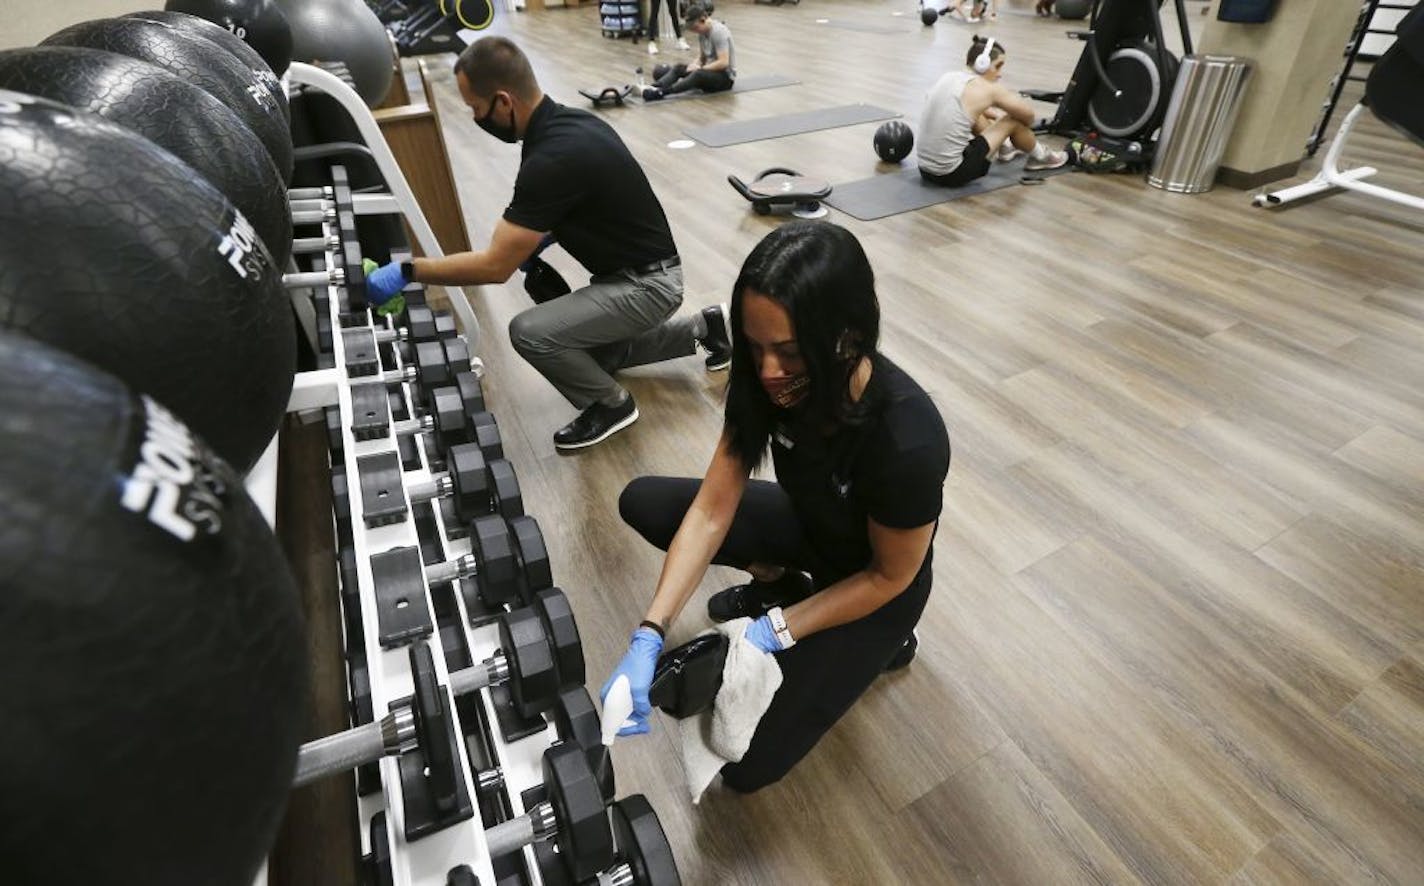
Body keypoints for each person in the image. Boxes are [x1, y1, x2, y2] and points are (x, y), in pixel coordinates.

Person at [601, 221, 951, 793]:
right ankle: (786, 583)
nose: (766, 372)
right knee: (646, 501)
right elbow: (713, 509)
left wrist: (771, 633)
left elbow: (889, 575)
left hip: (877, 586)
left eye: (790, 352)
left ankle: (883, 643)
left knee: (743, 766)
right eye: (755, 347)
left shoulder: (907, 439)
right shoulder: (768, 381)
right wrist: (649, 633)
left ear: (849, 336)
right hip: (813, 526)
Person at [363, 37, 731, 451]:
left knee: (530, 332)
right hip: (642, 273)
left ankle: (610, 405)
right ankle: (706, 329)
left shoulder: (551, 158)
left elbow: (493, 268)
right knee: (597, 359)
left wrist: (410, 270)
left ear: (503, 102)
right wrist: (544, 236)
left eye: (475, 108)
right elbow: (598, 204)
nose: (473, 117)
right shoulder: (571, 123)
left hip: (647, 286)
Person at [916, 36, 1068, 187]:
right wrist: (1004, 123)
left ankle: (1006, 147)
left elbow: (970, 109)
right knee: (1012, 121)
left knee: (976, 114)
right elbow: (1028, 117)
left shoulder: (948, 77)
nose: (1000, 73)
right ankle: (1042, 157)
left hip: (925, 170)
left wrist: (994, 116)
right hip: (953, 174)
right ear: (982, 64)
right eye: (998, 66)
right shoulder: (987, 89)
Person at [641, 3, 735, 101]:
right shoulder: (702, 32)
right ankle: (654, 86)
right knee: (679, 68)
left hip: (725, 79)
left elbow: (723, 62)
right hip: (709, 72)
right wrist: (694, 64)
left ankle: (663, 92)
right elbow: (702, 57)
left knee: (698, 74)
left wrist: (701, 68)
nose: (695, 31)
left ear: (703, 19)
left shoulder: (718, 32)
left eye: (696, 28)